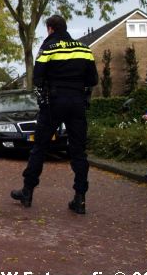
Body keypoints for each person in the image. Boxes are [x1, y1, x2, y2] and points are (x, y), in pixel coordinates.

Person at [11, 15, 98, 214]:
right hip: (77, 103)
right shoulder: (84, 49)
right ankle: (80, 198)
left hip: (54, 103)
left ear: (50, 29)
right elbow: (93, 79)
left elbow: (38, 78)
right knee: (78, 151)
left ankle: (27, 191)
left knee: (39, 147)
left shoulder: (48, 48)